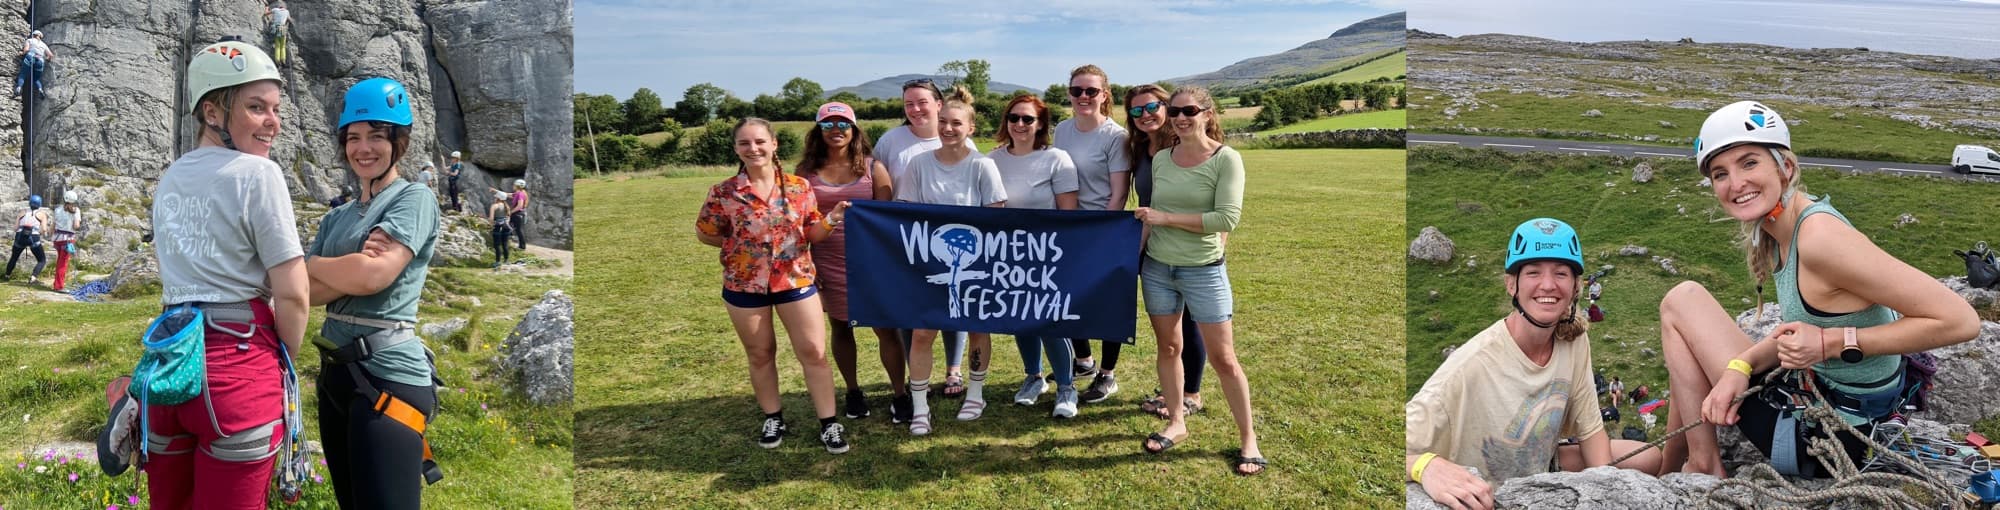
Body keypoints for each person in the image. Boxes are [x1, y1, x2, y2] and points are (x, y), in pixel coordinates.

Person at [1655, 101, 1979, 478]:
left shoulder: (1819, 238)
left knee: (1682, 301)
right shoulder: (1779, 231)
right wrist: (1739, 368)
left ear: (1785, 167)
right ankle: (1673, 463)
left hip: (1833, 441)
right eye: (1720, 173)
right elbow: (1799, 334)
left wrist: (1828, 344)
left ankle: (1701, 464)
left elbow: (1961, 320)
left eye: (1749, 163)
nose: (1735, 183)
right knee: (1688, 348)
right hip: (1830, 406)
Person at [143, 39, 307, 509]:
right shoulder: (258, 174)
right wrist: (283, 363)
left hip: (171, 365)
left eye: (275, 108)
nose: (272, 122)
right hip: (238, 366)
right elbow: (293, 294)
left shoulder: (171, 177)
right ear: (213, 113)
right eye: (256, 108)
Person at [1407, 218, 1660, 509]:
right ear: (1511, 284)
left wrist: (1601, 492)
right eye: (1534, 272)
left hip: (1543, 463)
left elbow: (1590, 430)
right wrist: (1426, 466)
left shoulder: (1574, 341)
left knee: (1648, 456)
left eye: (1561, 273)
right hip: (1487, 490)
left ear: (1576, 285)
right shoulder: (1469, 367)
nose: (1548, 285)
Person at [306, 77, 446, 508]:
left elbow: (374, 277)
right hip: (335, 378)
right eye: (354, 138)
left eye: (376, 137)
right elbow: (306, 292)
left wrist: (309, 268)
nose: (363, 148)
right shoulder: (338, 217)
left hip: (388, 376)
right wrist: (333, 270)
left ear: (398, 142)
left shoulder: (414, 199)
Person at [696, 117, 852, 454]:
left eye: (759, 142)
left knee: (814, 352)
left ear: (774, 144)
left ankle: (829, 423)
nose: (753, 149)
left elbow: (812, 233)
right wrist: (742, 250)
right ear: (736, 148)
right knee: (760, 354)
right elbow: (705, 232)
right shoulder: (724, 192)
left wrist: (832, 219)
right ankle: (773, 417)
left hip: (795, 280)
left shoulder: (798, 187)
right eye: (744, 144)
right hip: (744, 286)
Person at [1133, 86, 1267, 476]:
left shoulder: (1226, 159)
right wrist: (1132, 258)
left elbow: (1226, 219)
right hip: (1158, 269)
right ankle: (1177, 422)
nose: (1180, 117)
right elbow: (1151, 217)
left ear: (1209, 113)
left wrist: (1166, 219)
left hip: (1204, 270)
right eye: (1174, 111)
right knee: (1169, 347)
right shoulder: (1161, 158)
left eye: (1189, 110)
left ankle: (1249, 439)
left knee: (1224, 359)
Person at [892, 85, 1006, 433]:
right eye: (943, 122)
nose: (947, 129)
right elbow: (906, 213)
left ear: (970, 127)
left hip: (975, 266)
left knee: (976, 328)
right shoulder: (918, 164)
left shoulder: (983, 166)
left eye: (956, 123)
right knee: (923, 332)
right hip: (928, 265)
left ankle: (975, 391)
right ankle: (920, 405)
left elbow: (996, 217)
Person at [871, 77, 979, 406]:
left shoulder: (962, 140)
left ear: (938, 104)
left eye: (922, 102)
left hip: (953, 239)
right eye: (908, 104)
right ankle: (916, 371)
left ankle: (953, 368)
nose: (915, 109)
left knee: (953, 300)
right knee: (911, 307)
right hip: (907, 238)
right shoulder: (891, 141)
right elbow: (875, 180)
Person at [797, 101, 897, 421]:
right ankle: (853, 390)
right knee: (840, 327)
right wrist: (808, 266)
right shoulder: (805, 173)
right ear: (818, 131)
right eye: (828, 125)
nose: (836, 130)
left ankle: (900, 392)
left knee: (886, 329)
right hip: (826, 260)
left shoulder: (873, 168)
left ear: (854, 130)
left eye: (843, 124)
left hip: (871, 263)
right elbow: (799, 224)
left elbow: (888, 220)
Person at [1117, 83, 1213, 416]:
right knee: (1168, 324)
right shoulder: (1139, 148)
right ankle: (1175, 387)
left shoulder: (1187, 145)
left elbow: (1217, 206)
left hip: (1188, 245)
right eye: (1135, 110)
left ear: (1166, 107)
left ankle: (1192, 393)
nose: (1145, 115)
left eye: (1152, 107)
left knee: (1189, 320)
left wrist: (1215, 253)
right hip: (1150, 243)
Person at [987, 94, 1082, 417]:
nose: (1020, 125)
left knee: (1050, 321)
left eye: (1028, 119)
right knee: (1020, 319)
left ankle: (1067, 387)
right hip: (1007, 255)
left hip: (1047, 254)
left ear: (1040, 124)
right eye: (1014, 118)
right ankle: (1033, 377)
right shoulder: (992, 160)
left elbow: (1068, 213)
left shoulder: (1057, 159)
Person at [1055, 65, 1132, 389]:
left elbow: (1119, 193)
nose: (1083, 97)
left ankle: (1108, 374)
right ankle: (1083, 361)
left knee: (1107, 303)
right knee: (1068, 297)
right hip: (1067, 228)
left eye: (1091, 91)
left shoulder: (1116, 136)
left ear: (1104, 95)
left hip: (1103, 229)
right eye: (1077, 91)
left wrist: (1101, 234)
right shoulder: (1061, 129)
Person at [5, 194, 50, 284]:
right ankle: (33, 278)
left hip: (20, 236)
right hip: (33, 238)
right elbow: (44, 229)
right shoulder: (42, 214)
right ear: (39, 204)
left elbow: (15, 228)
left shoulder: (22, 212)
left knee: (14, 257)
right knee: (42, 260)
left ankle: (7, 276)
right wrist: (39, 233)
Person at [49, 190, 82, 291]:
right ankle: (58, 286)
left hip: (57, 238)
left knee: (60, 261)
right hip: (67, 239)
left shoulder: (58, 209)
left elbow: (53, 226)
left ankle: (57, 283)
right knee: (63, 263)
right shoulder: (76, 210)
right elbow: (76, 226)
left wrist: (51, 237)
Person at [14, 29, 52, 98]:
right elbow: (50, 55)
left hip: (30, 57)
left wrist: (21, 53)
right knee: (36, 79)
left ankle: (19, 88)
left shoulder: (29, 40)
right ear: (40, 36)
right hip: (40, 60)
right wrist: (47, 59)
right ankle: (40, 90)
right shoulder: (44, 45)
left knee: (22, 74)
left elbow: (26, 50)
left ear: (33, 35)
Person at [488, 190, 511, 268]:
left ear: (498, 198)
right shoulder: (507, 206)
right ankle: (506, 260)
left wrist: (490, 225)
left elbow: (491, 219)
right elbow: (508, 217)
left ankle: (498, 262)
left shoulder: (494, 206)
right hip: (506, 227)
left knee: (497, 245)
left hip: (497, 227)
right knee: (505, 244)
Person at [264, 1, 290, 65]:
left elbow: (266, 14)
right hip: (283, 28)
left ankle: (277, 60)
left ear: (278, 6)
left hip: (276, 27)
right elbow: (288, 19)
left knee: (277, 45)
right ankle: (283, 59)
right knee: (283, 45)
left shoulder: (275, 10)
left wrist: (266, 7)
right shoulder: (287, 11)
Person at [509, 179, 528, 250]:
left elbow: (520, 206)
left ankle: (522, 246)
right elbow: (509, 195)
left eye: (514, 185)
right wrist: (496, 191)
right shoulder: (519, 193)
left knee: (519, 230)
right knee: (517, 229)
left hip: (518, 214)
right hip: (518, 214)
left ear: (517, 186)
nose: (513, 186)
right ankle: (520, 245)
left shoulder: (520, 194)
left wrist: (511, 212)